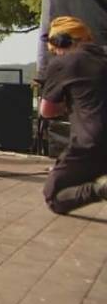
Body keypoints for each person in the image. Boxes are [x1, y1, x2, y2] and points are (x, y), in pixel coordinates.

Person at [38, 16, 107, 215]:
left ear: (62, 42)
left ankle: (100, 189)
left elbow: (47, 111)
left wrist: (68, 105)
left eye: (55, 49)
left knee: (54, 197)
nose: (55, 53)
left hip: (91, 144)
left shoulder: (64, 62)